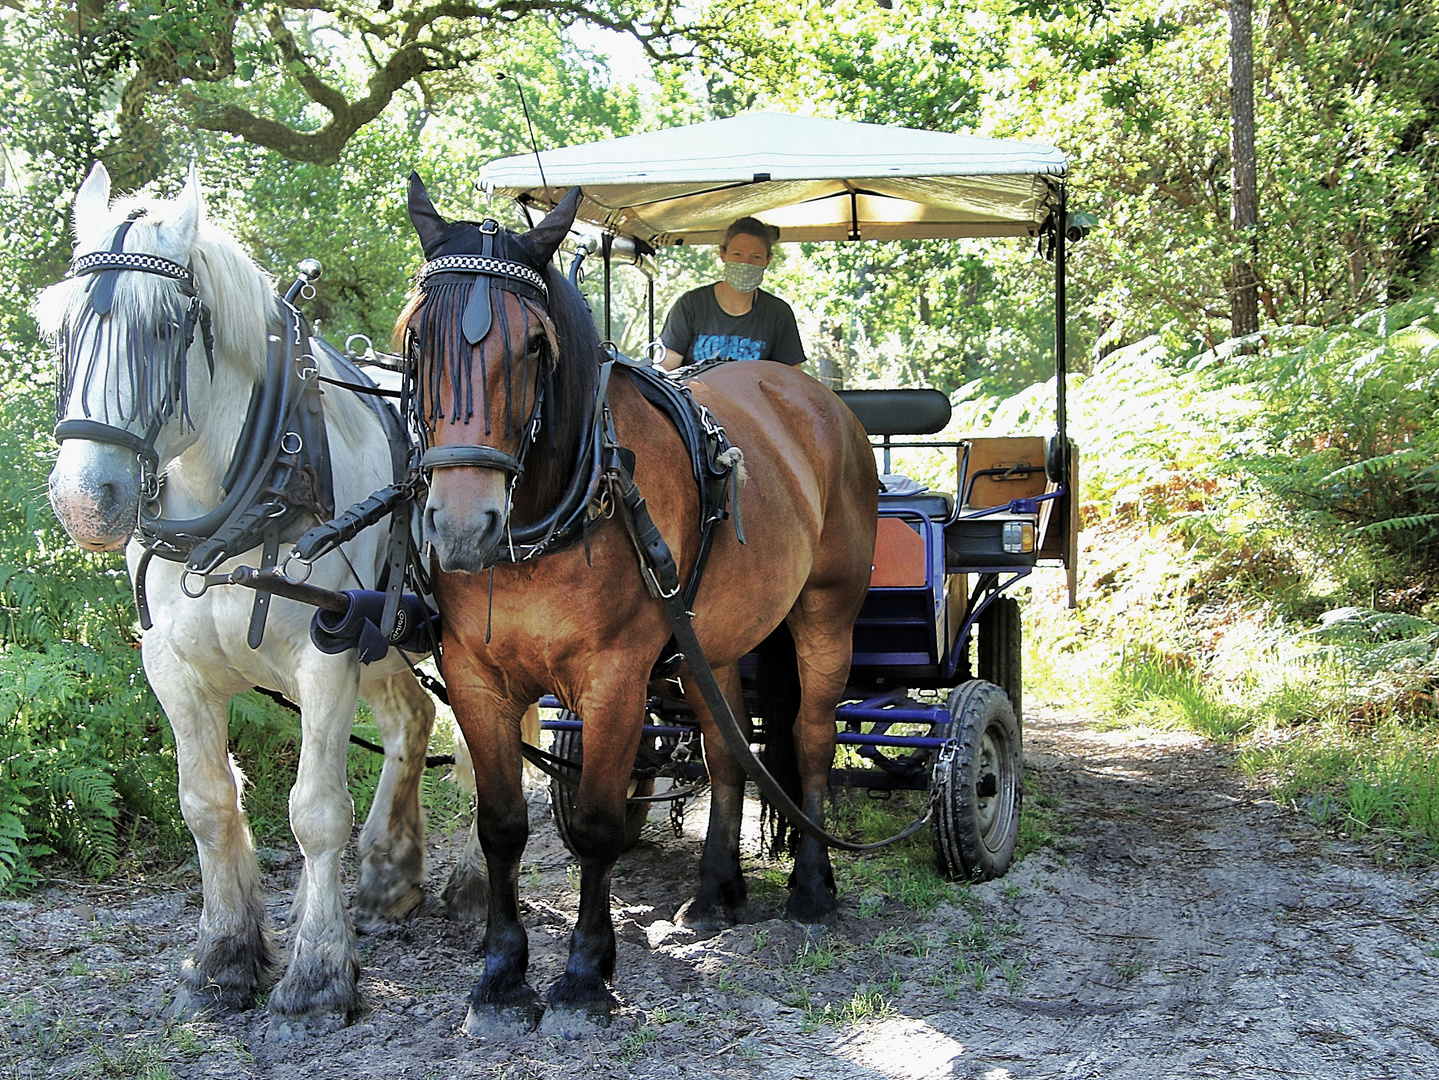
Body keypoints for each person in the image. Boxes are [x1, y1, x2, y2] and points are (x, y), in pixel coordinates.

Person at [660, 217, 806, 370]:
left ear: (767, 261)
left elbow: (792, 377)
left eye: (756, 257)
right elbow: (666, 368)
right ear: (723, 254)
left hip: (752, 394)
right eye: (738, 254)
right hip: (693, 393)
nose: (746, 263)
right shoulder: (691, 305)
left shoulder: (777, 313)